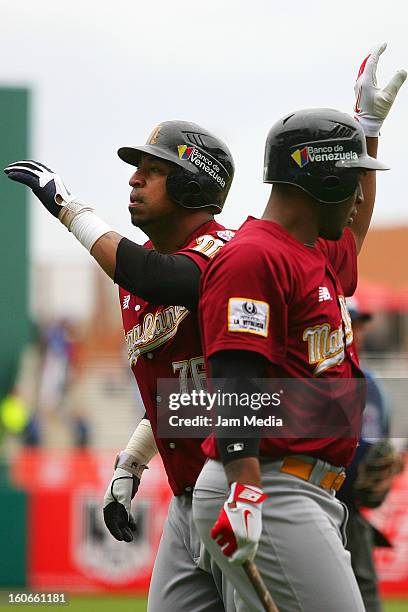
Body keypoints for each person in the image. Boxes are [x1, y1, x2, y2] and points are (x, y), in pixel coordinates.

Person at [192, 44, 406, 611]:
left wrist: (367, 127)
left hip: (299, 487)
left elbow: (354, 234)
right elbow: (235, 380)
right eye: (353, 175)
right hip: (269, 483)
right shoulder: (253, 256)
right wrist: (244, 487)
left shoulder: (310, 250)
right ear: (321, 180)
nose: (361, 191)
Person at [4, 120, 237, 611]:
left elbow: (166, 278)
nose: (134, 180)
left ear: (194, 183)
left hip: (247, 486)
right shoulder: (135, 276)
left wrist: (70, 210)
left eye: (153, 171)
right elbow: (181, 392)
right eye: (138, 171)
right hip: (188, 495)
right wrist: (130, 464)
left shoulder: (231, 254)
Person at [338, 297, 404, 612]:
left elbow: (381, 444)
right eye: (351, 324)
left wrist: (390, 466)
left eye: (360, 325)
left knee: (366, 602)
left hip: (353, 515)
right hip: (314, 502)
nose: (357, 333)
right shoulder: (313, 382)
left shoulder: (374, 386)